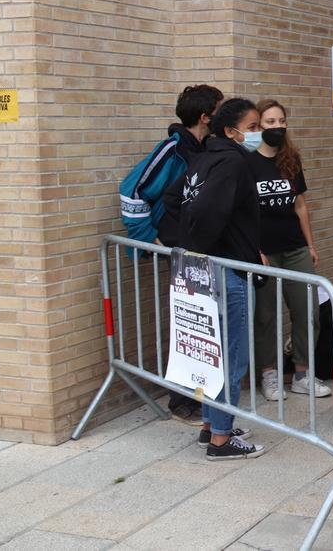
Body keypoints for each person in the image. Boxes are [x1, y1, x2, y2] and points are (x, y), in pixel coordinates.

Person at [119, 83, 223, 426]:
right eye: (220, 109)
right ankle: (182, 402)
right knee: (189, 326)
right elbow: (132, 191)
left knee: (205, 327)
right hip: (179, 252)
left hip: (202, 249)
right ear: (206, 116)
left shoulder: (208, 149)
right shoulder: (172, 149)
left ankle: (204, 397)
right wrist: (151, 239)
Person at [180, 97, 267, 460]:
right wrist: (209, 248)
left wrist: (191, 249)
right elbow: (205, 209)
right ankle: (221, 438)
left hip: (206, 268)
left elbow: (177, 202)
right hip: (226, 272)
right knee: (230, 356)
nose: (258, 133)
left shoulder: (204, 157)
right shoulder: (232, 162)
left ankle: (209, 424)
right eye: (252, 127)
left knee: (211, 355)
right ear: (231, 131)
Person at [250, 99, 331, 401]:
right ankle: (269, 375)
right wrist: (253, 248)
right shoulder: (246, 164)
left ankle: (302, 373)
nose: (278, 127)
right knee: (266, 315)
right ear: (258, 126)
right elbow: (244, 214)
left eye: (281, 121)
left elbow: (300, 205)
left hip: (295, 247)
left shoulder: (290, 159)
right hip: (264, 252)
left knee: (307, 311)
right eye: (270, 122)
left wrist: (310, 245)